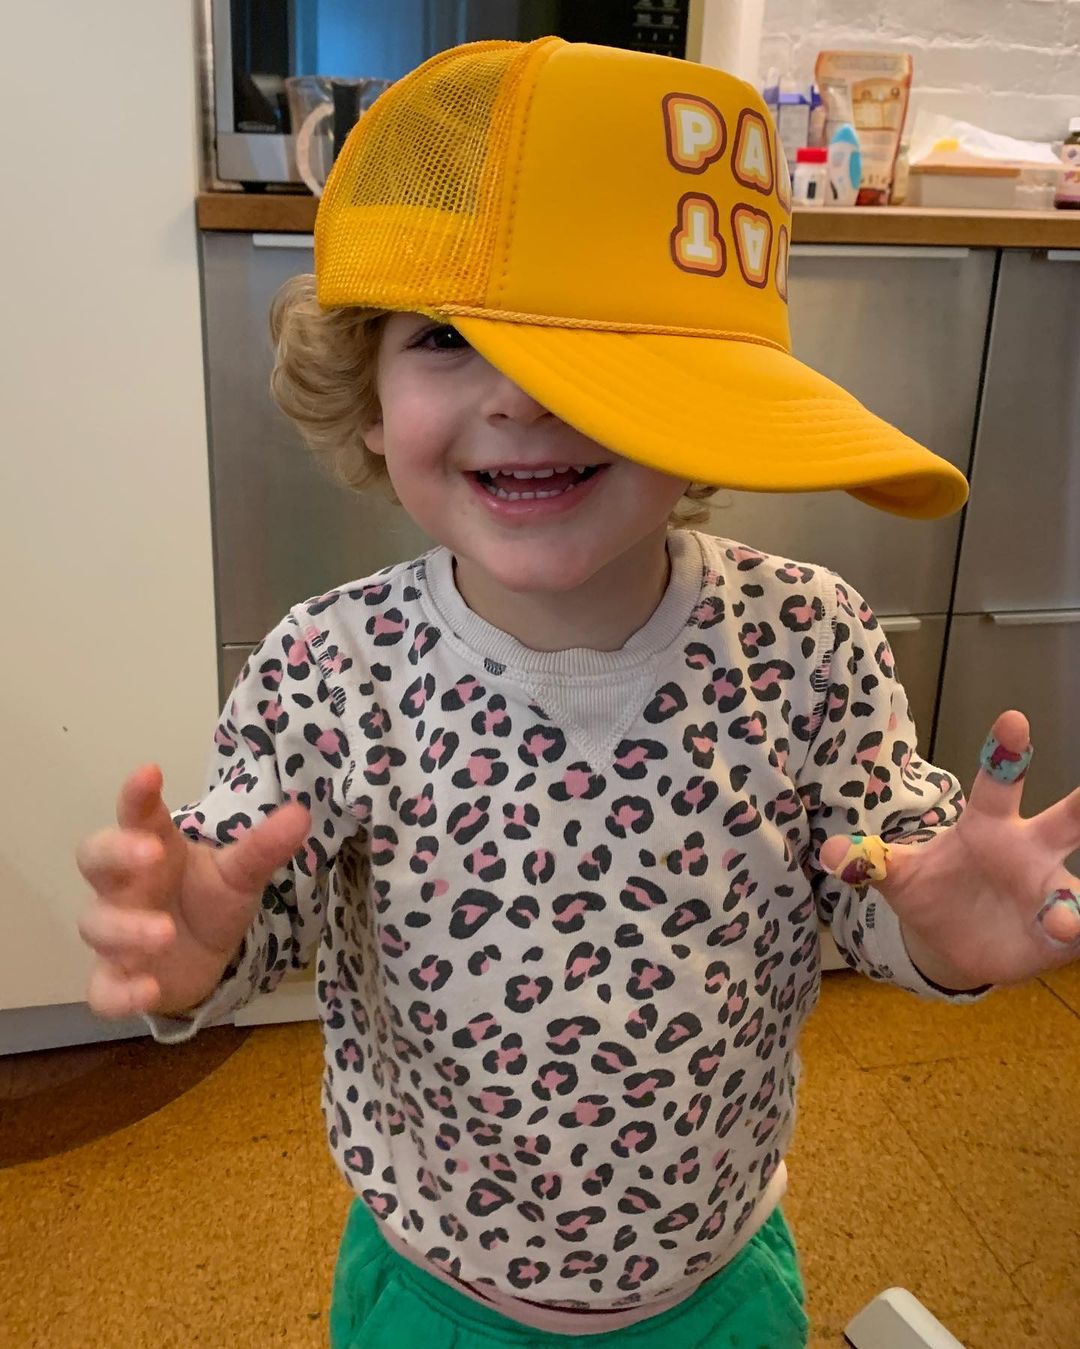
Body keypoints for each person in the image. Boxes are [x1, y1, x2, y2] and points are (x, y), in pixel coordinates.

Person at [74, 37, 1080, 1349]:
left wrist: (943, 930)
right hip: (430, 1290)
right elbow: (252, 914)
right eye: (446, 337)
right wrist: (194, 947)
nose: (521, 400)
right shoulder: (329, 665)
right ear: (366, 391)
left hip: (717, 1281)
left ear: (714, 398)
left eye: (600, 353)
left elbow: (881, 891)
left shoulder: (808, 640)